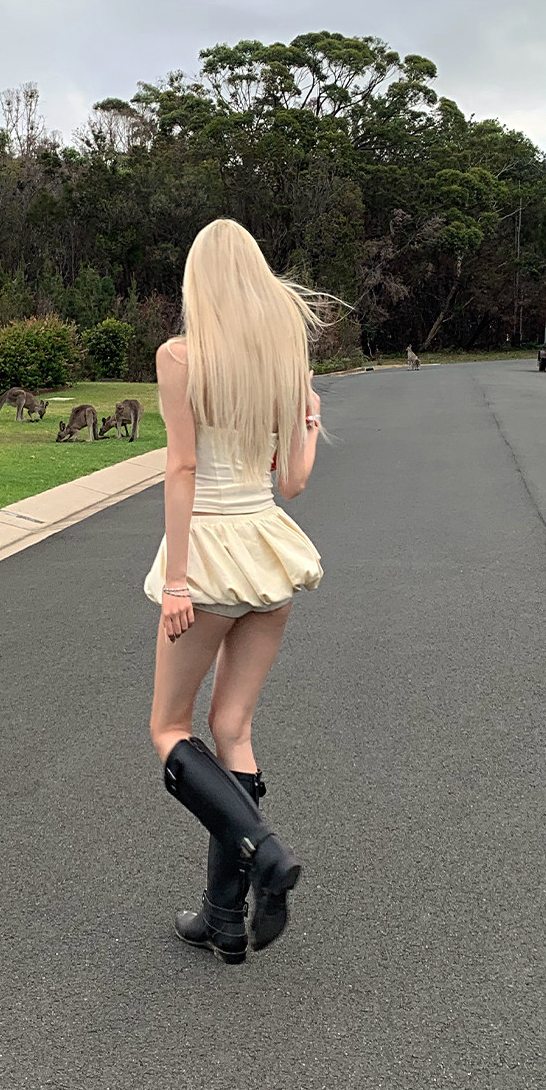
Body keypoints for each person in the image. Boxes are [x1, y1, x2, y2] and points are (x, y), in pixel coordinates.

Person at [145, 217, 329, 965]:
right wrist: (310, 419)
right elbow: (294, 482)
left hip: (212, 555)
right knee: (234, 728)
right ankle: (223, 918)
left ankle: (264, 853)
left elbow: (182, 468)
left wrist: (177, 580)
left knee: (169, 728)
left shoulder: (180, 357)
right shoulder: (282, 362)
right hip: (267, 551)